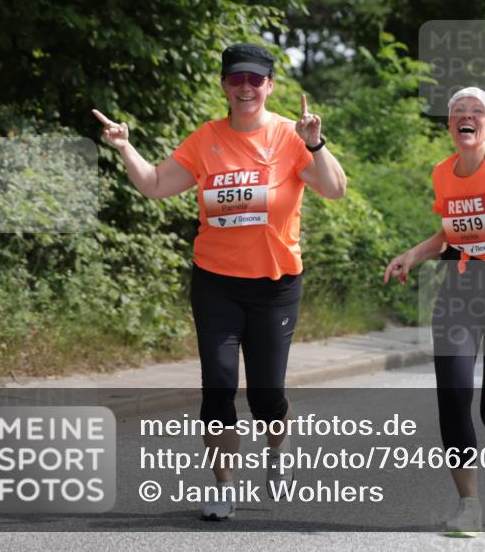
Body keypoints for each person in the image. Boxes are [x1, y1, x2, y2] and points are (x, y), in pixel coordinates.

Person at [93, 42, 346, 520]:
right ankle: (223, 486)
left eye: (255, 79)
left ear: (270, 86)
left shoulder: (290, 138)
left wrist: (315, 143)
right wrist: (125, 146)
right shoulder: (205, 139)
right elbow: (154, 185)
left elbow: (333, 189)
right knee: (218, 386)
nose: (245, 88)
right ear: (224, 86)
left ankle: (277, 449)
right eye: (236, 79)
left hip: (275, 285)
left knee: (267, 396)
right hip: (216, 283)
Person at [383, 87, 485, 537]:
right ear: (449, 126)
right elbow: (450, 233)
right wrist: (414, 255)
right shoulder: (444, 173)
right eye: (458, 111)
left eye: (478, 112)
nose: (467, 116)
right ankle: (468, 505)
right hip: (461, 289)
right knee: (453, 397)